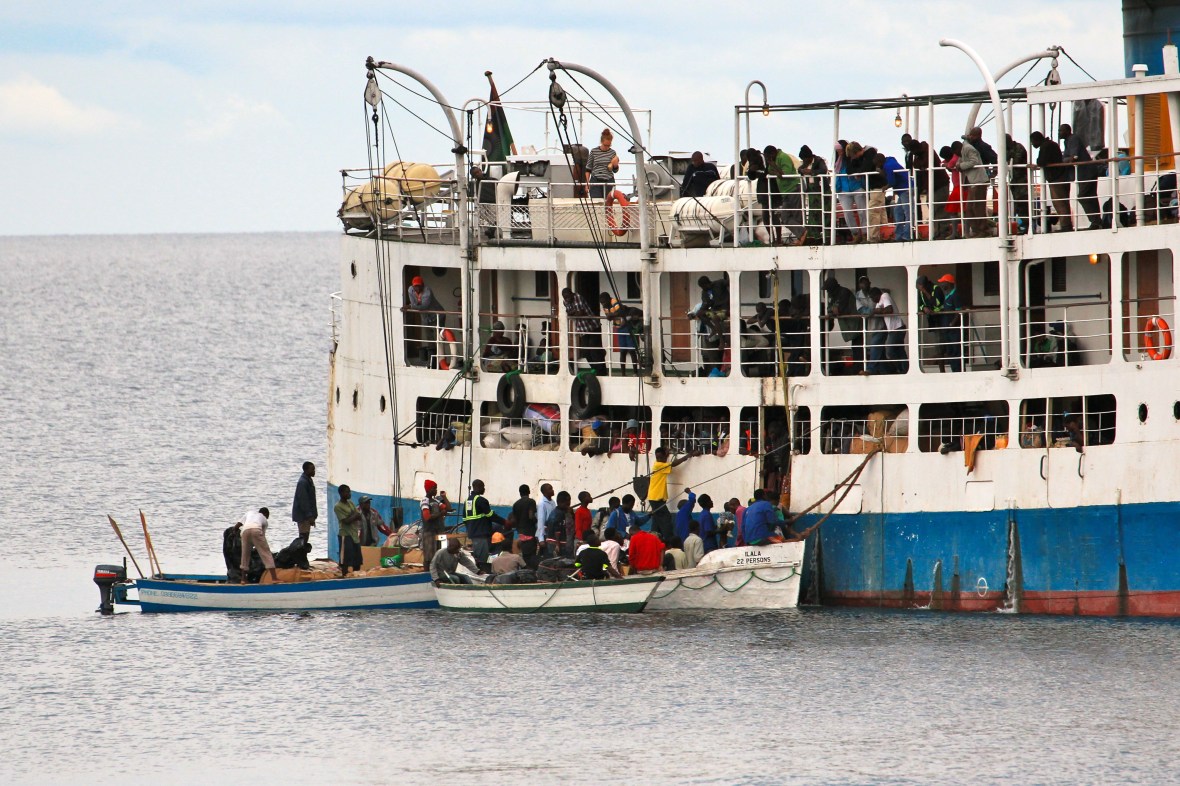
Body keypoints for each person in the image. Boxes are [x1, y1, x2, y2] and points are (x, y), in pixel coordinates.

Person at [648, 446, 699, 543]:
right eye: (658, 458)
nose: (659, 459)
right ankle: (669, 540)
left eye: (661, 457)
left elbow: (668, 462)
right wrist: (688, 455)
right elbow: (674, 464)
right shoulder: (659, 465)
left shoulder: (660, 464)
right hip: (656, 498)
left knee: (657, 520)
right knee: (666, 519)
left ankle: (655, 539)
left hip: (655, 497)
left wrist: (667, 454)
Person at [1061, 123, 1101, 230]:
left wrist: (1065, 160)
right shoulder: (1068, 141)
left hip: (1086, 172)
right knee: (1091, 196)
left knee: (1083, 196)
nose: (1059, 133)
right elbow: (1067, 157)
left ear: (1067, 131)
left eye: (1061, 131)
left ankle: (1096, 221)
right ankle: (1097, 222)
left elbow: (1074, 157)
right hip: (1086, 172)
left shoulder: (1073, 139)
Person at [1030, 131, 1071, 231]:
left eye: (1032, 142)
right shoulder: (1052, 144)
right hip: (1062, 176)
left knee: (1059, 203)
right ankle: (1066, 225)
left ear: (1037, 140)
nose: (1032, 144)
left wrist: (1038, 161)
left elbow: (1041, 161)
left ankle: (1066, 226)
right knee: (1064, 202)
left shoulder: (1046, 146)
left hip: (1056, 178)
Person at [462, 479, 506, 572]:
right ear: (478, 487)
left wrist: (471, 528)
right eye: (483, 486)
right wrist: (505, 522)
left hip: (473, 533)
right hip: (481, 533)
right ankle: (482, 575)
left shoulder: (467, 501)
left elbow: (465, 519)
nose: (484, 489)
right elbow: (490, 515)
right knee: (482, 559)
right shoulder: (481, 500)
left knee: (478, 555)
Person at [823, 275, 862, 373]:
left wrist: (833, 310)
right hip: (850, 325)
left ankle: (859, 367)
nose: (827, 292)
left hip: (855, 324)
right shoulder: (835, 295)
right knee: (855, 347)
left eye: (828, 289)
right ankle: (858, 367)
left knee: (858, 347)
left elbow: (839, 310)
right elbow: (830, 308)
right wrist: (832, 310)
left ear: (832, 288)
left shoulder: (844, 292)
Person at [764, 144, 803, 244]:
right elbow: (770, 172)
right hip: (785, 192)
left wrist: (775, 167)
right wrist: (776, 170)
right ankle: (802, 234)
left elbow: (784, 175)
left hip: (792, 189)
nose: (767, 159)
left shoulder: (783, 157)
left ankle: (802, 237)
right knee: (785, 217)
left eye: (767, 157)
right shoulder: (776, 159)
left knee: (797, 216)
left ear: (772, 154)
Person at [562, 287, 606, 373]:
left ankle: (601, 371)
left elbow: (580, 313)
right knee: (585, 352)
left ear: (572, 293)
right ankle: (596, 368)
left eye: (568, 296)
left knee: (594, 350)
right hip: (582, 329)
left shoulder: (578, 297)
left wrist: (572, 313)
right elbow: (569, 314)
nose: (567, 299)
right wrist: (573, 313)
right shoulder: (565, 302)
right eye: (565, 297)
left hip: (593, 326)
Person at [406, 275, 447, 365]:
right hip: (426, 318)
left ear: (423, 285)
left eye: (419, 285)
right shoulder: (410, 290)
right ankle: (432, 362)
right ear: (413, 286)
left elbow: (424, 306)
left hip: (438, 316)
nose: (417, 288)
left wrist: (410, 306)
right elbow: (415, 303)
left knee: (439, 340)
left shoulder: (427, 292)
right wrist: (414, 305)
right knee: (429, 339)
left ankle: (442, 362)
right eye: (415, 286)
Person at [958, 128, 990, 238]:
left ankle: (982, 230)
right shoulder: (968, 148)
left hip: (978, 181)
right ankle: (977, 229)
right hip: (975, 181)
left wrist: (961, 166)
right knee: (971, 207)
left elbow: (974, 161)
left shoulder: (968, 149)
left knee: (977, 207)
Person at [868, 287, 906, 374]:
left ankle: (899, 369)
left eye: (872, 297)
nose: (872, 300)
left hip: (897, 328)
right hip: (894, 329)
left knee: (890, 351)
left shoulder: (884, 296)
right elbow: (876, 311)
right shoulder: (879, 302)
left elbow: (889, 309)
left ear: (877, 295)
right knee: (900, 351)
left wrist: (877, 311)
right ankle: (904, 370)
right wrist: (874, 311)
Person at [600, 293, 641, 373]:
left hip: (628, 326)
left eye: (604, 302)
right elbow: (609, 318)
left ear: (609, 299)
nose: (603, 304)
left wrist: (611, 314)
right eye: (601, 303)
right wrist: (611, 315)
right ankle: (623, 373)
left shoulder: (614, 301)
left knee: (632, 351)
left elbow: (619, 312)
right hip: (619, 328)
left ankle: (635, 372)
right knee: (622, 351)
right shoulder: (605, 306)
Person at [797, 144, 829, 244]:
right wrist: (802, 170)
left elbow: (823, 170)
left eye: (805, 159)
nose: (804, 162)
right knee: (813, 215)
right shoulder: (805, 163)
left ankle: (827, 236)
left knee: (825, 213)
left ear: (809, 157)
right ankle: (814, 237)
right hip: (812, 191)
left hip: (822, 191)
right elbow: (799, 169)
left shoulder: (819, 161)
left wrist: (811, 172)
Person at [239, 507, 279, 584]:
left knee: (245, 555)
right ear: (266, 514)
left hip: (245, 532)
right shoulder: (264, 518)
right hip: (256, 530)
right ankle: (274, 578)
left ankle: (243, 579)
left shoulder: (249, 513)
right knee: (266, 553)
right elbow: (261, 537)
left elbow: (237, 525)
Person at [934, 273, 964, 372]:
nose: (941, 285)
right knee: (950, 351)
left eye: (943, 282)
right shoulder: (947, 295)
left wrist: (952, 323)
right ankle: (954, 370)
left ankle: (957, 371)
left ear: (948, 283)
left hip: (953, 330)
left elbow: (959, 311)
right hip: (947, 329)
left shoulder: (955, 295)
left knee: (955, 351)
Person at [419, 479, 450, 572]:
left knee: (441, 554)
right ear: (428, 489)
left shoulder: (436, 500)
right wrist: (441, 514)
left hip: (439, 531)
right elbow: (427, 517)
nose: (436, 490)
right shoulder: (425, 501)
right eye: (434, 488)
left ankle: (439, 573)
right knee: (429, 556)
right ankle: (427, 574)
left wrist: (444, 497)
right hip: (429, 532)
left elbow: (448, 508)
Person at [334, 486, 364, 577]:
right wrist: (353, 516)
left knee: (357, 558)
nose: (349, 494)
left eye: (349, 492)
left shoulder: (350, 503)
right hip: (345, 535)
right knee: (345, 559)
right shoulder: (338, 506)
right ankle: (344, 574)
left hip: (354, 534)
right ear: (341, 493)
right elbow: (346, 521)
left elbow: (358, 516)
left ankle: (356, 574)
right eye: (347, 492)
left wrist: (352, 516)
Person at [881, 152, 911, 241]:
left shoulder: (888, 166)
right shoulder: (890, 162)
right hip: (904, 189)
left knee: (908, 212)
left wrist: (885, 187)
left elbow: (892, 182)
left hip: (905, 189)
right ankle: (899, 235)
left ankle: (907, 235)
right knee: (898, 211)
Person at [511, 484, 540, 568]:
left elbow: (514, 520)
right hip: (530, 533)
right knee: (532, 555)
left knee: (524, 554)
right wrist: (536, 521)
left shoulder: (516, 504)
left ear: (520, 493)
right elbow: (531, 516)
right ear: (529, 492)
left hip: (521, 534)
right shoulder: (531, 502)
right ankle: (531, 572)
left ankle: (525, 570)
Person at [586, 128, 620, 198]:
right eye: (605, 145)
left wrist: (615, 164)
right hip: (595, 180)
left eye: (609, 145)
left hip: (609, 180)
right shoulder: (594, 151)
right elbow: (588, 168)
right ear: (601, 142)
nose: (607, 147)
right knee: (596, 203)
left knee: (608, 203)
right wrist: (587, 183)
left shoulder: (612, 153)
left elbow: (615, 170)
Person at [1007, 134, 1030, 231]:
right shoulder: (1007, 150)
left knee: (1023, 204)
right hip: (1015, 181)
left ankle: (1026, 226)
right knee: (1018, 205)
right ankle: (1022, 225)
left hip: (1022, 181)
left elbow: (1016, 161)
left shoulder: (1018, 148)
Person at [291, 461, 317, 546]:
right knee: (303, 536)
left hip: (306, 516)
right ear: (306, 470)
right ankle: (300, 555)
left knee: (305, 535)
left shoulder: (308, 480)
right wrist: (309, 516)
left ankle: (302, 555)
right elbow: (303, 501)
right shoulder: (303, 482)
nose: (314, 471)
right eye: (312, 469)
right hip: (303, 516)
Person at [546, 490, 575, 558]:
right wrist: (557, 545)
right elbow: (557, 530)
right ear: (559, 502)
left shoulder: (565, 512)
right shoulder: (558, 514)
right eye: (566, 502)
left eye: (569, 501)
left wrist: (572, 513)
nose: (569, 504)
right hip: (556, 544)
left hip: (564, 543)